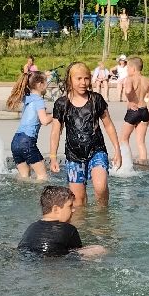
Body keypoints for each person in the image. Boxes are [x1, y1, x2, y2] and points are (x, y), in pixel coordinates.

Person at [49, 60, 123, 205]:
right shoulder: (62, 104)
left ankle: (103, 217)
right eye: (79, 79)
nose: (83, 82)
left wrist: (117, 150)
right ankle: (83, 227)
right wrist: (52, 156)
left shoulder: (96, 100)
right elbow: (55, 132)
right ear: (70, 80)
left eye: (86, 78)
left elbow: (108, 125)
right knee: (78, 200)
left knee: (100, 187)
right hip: (73, 156)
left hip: (97, 151)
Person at [18, 185, 106, 257]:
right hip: (56, 261)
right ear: (56, 209)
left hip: (28, 258)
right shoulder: (68, 229)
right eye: (70, 206)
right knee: (99, 249)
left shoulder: (31, 227)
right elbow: (76, 250)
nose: (73, 210)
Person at [10, 71, 54, 180]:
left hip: (16, 141)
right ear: (39, 84)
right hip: (27, 142)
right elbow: (44, 121)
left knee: (24, 177)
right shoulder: (39, 100)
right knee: (43, 177)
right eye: (46, 83)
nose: (47, 86)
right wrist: (57, 114)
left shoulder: (27, 98)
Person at [119, 55, 149, 164]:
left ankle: (127, 163)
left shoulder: (130, 79)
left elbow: (128, 91)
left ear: (133, 69)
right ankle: (143, 164)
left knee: (124, 139)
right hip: (144, 111)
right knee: (141, 142)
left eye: (128, 68)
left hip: (133, 112)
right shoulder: (147, 80)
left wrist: (130, 100)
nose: (127, 71)